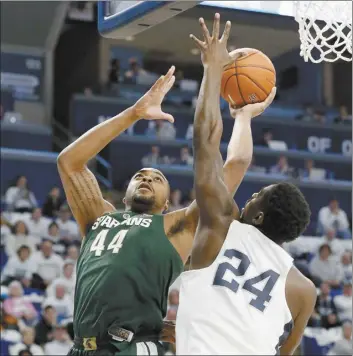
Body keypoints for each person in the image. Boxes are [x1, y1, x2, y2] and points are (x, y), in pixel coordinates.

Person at [57, 63, 254, 355]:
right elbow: (68, 162)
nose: (147, 177)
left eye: (157, 178)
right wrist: (133, 113)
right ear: (125, 196)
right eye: (140, 176)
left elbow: (235, 164)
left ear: (166, 202)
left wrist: (243, 117)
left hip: (130, 348)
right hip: (82, 348)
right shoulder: (99, 217)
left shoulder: (177, 227)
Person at [175, 14, 316, 355]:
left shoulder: (221, 226)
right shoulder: (303, 289)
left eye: (257, 196)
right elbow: (287, 352)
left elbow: (206, 144)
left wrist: (212, 70)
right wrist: (243, 117)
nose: (249, 196)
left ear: (258, 217)